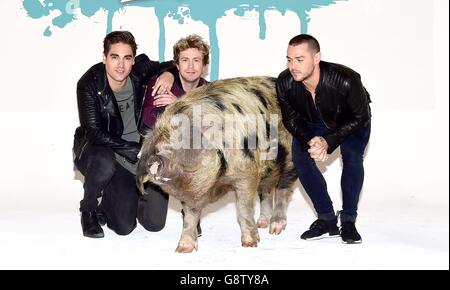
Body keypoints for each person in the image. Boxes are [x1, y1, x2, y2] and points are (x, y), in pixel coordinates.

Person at [73, 31, 176, 238]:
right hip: (103, 151)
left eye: (127, 58)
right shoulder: (89, 84)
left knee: (155, 224)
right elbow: (94, 133)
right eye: (114, 57)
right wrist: (134, 150)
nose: (121, 65)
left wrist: (168, 74)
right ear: (104, 58)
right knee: (124, 227)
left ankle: (124, 195)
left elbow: (172, 63)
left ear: (133, 60)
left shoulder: (139, 71)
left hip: (139, 152)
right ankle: (89, 209)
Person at [276, 34, 371, 244]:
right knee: (301, 161)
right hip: (313, 121)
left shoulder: (345, 79)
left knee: (352, 158)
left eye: (300, 60)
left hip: (350, 120)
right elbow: (291, 119)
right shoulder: (285, 82)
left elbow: (360, 116)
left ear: (316, 57)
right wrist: (312, 141)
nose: (293, 66)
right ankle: (327, 219)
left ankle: (348, 220)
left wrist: (329, 141)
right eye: (289, 59)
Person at [141, 34, 210, 237]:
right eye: (184, 60)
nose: (190, 66)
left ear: (204, 65)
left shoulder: (209, 90)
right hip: (160, 154)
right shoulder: (161, 82)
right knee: (153, 223)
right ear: (177, 65)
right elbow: (149, 118)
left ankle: (191, 211)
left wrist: (177, 105)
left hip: (191, 156)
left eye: (196, 60)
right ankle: (137, 192)